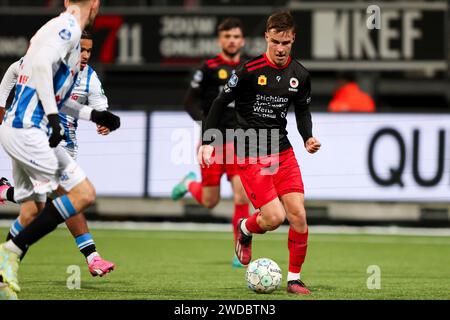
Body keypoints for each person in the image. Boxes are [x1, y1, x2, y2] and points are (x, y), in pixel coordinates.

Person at [0, 0, 121, 298]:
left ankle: (3, 280)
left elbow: (51, 89)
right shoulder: (68, 28)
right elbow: (39, 67)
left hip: (21, 129)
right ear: (95, 4)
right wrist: (54, 119)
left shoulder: (54, 30)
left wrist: (94, 115)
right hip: (30, 130)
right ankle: (11, 251)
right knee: (82, 194)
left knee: (32, 209)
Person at [198, 11, 321, 295]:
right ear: (267, 36)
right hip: (251, 149)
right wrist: (207, 141)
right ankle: (245, 228)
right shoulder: (248, 70)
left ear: (293, 39)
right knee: (274, 218)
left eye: (286, 43)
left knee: (299, 216)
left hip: (283, 150)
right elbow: (219, 103)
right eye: (276, 41)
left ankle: (294, 279)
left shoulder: (300, 75)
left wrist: (307, 137)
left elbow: (302, 110)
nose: (280, 49)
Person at [171, 18, 250, 268]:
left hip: (239, 140)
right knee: (210, 201)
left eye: (236, 36)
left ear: (242, 40)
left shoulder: (249, 68)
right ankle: (190, 183)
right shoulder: (207, 68)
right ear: (220, 40)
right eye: (227, 36)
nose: (232, 41)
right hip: (213, 141)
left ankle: (240, 251)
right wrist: (205, 122)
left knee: (241, 196)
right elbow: (189, 101)